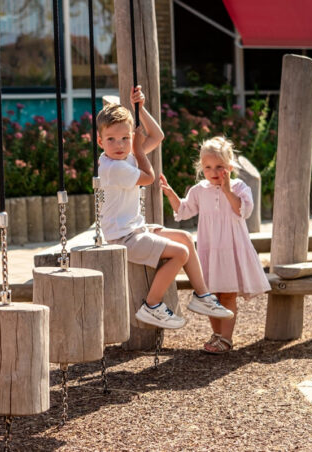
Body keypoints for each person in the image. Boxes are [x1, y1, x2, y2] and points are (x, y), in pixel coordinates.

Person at [97, 86, 234, 330]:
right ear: (100, 141)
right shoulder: (113, 167)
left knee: (184, 237)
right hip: (122, 238)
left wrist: (140, 108)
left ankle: (203, 296)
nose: (119, 144)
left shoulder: (123, 156)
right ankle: (152, 305)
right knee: (180, 253)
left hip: (135, 230)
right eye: (111, 139)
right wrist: (138, 149)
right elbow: (148, 178)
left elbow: (157, 136)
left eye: (125, 138)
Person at [159, 136, 270, 353]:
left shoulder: (239, 187)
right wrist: (170, 193)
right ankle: (217, 335)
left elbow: (242, 212)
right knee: (211, 295)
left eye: (219, 167)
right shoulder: (199, 190)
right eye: (208, 167)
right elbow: (183, 211)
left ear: (229, 167)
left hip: (232, 249)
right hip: (210, 250)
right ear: (201, 168)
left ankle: (226, 339)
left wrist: (227, 189)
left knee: (227, 294)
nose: (213, 171)